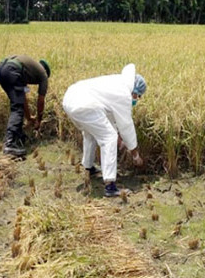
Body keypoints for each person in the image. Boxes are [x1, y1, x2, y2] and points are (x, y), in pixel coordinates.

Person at [62, 63, 146, 197]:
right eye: (138, 96)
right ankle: (110, 186)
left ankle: (88, 168)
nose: (137, 99)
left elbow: (110, 122)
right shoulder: (124, 94)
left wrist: (122, 143)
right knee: (109, 138)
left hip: (70, 99)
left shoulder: (117, 83)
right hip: (83, 103)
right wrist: (135, 155)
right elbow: (126, 126)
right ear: (134, 91)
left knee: (90, 134)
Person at [0, 55, 50, 157]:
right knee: (17, 109)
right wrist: (39, 120)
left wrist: (29, 117)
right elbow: (41, 101)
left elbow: (22, 98)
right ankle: (10, 144)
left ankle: (18, 137)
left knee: (17, 104)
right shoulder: (43, 75)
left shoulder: (28, 69)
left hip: (1, 69)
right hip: (12, 70)